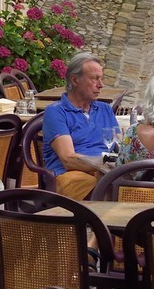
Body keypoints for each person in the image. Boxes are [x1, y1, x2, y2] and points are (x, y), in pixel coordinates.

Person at [42, 52, 119, 199]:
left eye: (101, 78)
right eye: (94, 79)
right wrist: (107, 161)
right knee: (107, 189)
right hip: (71, 175)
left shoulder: (105, 109)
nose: (101, 85)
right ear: (74, 80)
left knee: (139, 186)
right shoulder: (56, 112)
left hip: (106, 172)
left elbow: (118, 146)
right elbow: (69, 159)